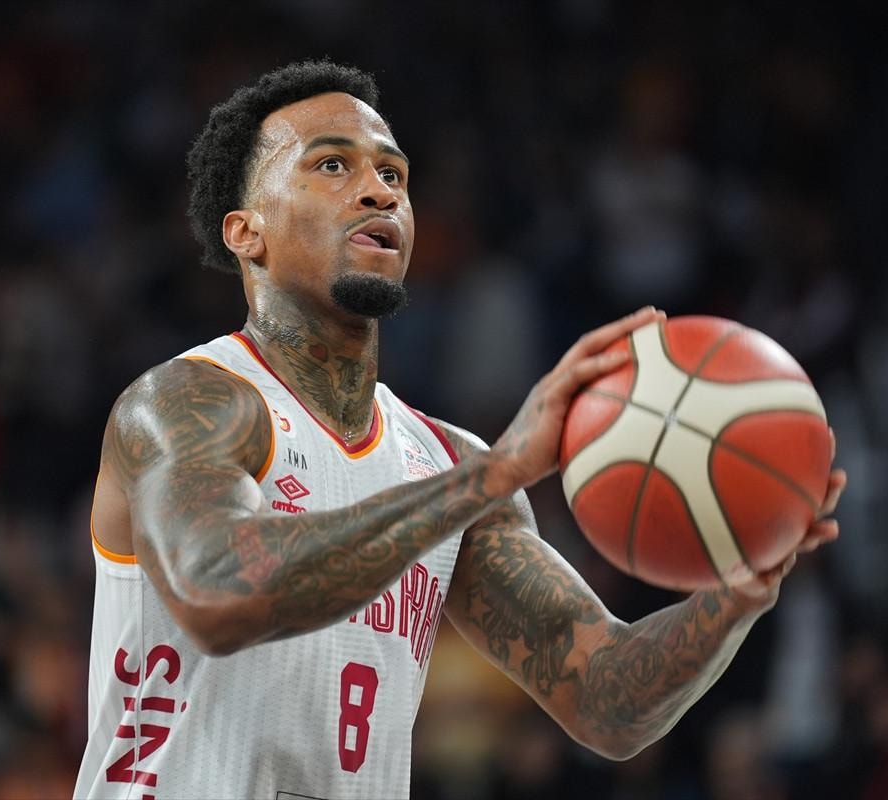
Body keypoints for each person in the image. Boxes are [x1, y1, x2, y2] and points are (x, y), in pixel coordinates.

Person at [73, 60, 846, 800]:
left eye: (394, 174)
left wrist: (734, 596)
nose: (378, 189)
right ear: (247, 232)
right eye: (332, 166)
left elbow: (606, 700)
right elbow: (217, 593)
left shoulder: (443, 461)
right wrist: (492, 476)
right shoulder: (186, 402)